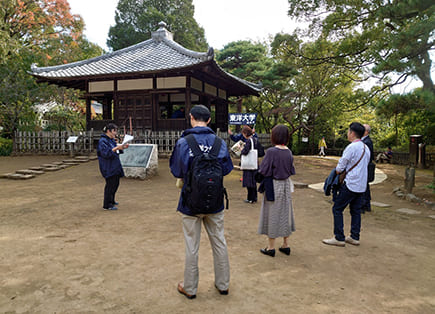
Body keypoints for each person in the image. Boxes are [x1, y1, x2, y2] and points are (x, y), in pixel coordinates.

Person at [170, 105, 233, 299]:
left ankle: (190, 287)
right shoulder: (219, 143)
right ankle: (223, 284)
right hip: (215, 201)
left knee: (192, 245)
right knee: (219, 242)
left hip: (190, 202)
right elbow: (227, 169)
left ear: (191, 118)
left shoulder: (183, 142)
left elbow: (177, 170)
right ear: (209, 120)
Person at [322, 122, 370, 247]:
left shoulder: (351, 147)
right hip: (361, 185)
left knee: (337, 208)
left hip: (350, 183)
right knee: (356, 210)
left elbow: (340, 167)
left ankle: (339, 237)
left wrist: (337, 173)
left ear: (352, 133)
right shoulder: (366, 148)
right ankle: (355, 236)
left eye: (348, 131)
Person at [257, 124, 296, 257]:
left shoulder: (272, 152)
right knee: (285, 213)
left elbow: (264, 170)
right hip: (286, 185)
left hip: (273, 185)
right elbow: (291, 170)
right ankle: (286, 244)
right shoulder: (288, 151)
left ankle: (271, 247)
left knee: (272, 213)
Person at [97, 123, 129, 211]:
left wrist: (122, 147)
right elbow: (105, 153)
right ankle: (106, 204)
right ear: (108, 131)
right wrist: (117, 148)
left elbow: (116, 150)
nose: (115, 133)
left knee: (115, 183)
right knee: (110, 185)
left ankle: (112, 200)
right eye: (114, 131)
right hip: (108, 166)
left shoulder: (111, 140)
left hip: (115, 165)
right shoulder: (102, 141)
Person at [240, 125, 264, 203]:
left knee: (249, 182)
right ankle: (254, 198)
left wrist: (241, 149)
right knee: (253, 182)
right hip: (254, 163)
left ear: (245, 133)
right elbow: (261, 152)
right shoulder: (255, 140)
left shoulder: (249, 141)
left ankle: (250, 198)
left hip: (248, 165)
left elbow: (245, 151)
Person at [361, 124, 374, 213]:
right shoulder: (365, 141)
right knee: (365, 186)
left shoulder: (367, 142)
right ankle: (366, 205)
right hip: (365, 167)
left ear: (366, 131)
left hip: (365, 167)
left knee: (363, 186)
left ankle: (363, 205)